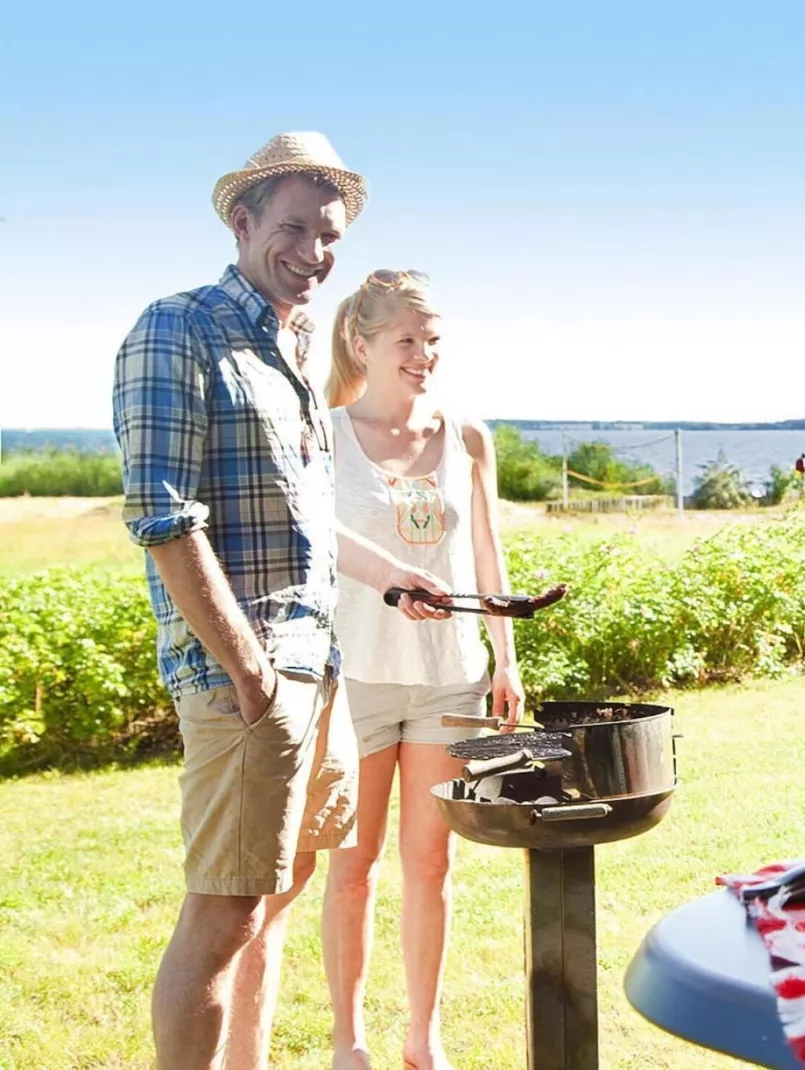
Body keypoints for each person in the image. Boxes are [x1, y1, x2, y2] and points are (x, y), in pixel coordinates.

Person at [113, 132, 450, 1070]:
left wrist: (388, 575)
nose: (314, 251)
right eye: (294, 229)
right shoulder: (176, 327)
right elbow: (163, 518)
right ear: (242, 220)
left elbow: (300, 524)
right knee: (221, 916)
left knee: (271, 897)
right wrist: (252, 676)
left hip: (320, 668)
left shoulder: (294, 350)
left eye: (328, 235)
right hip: (249, 678)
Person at [319, 269, 523, 1070]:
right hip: (356, 679)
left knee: (430, 862)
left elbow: (488, 551)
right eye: (406, 340)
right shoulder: (323, 433)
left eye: (432, 341)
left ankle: (421, 1037)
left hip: (449, 677)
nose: (423, 355)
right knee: (352, 866)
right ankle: (348, 1041)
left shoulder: (467, 436)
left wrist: (506, 660)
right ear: (360, 343)